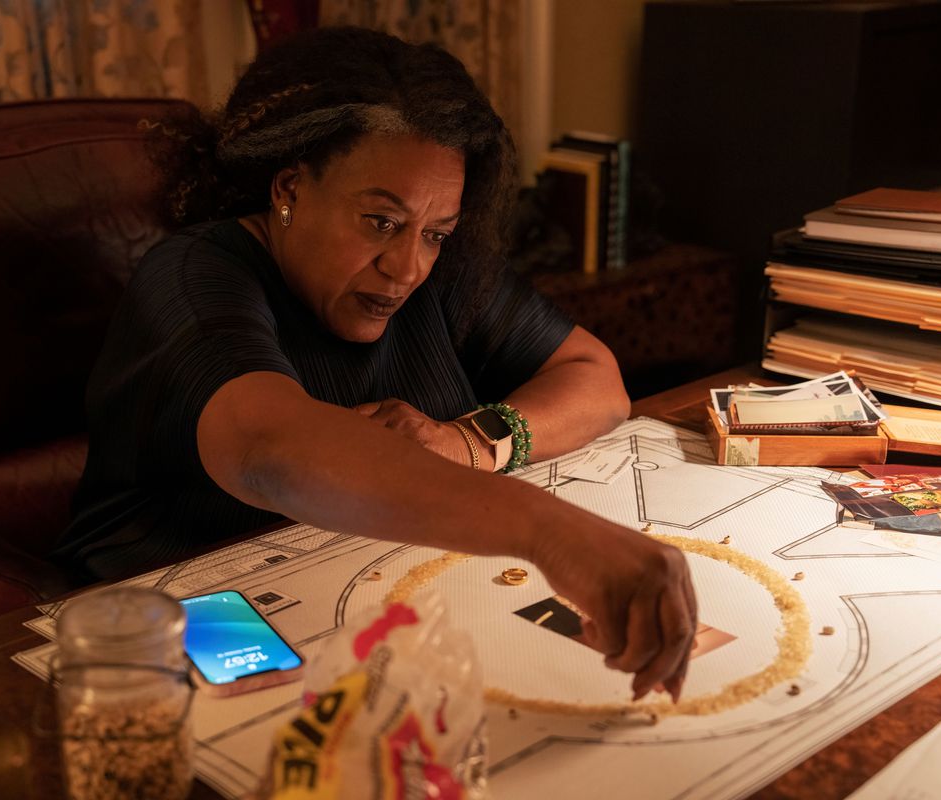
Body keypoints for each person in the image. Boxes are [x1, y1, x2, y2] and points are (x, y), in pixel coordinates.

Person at [53, 27, 697, 701]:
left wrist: (465, 442)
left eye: (437, 233)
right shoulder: (191, 277)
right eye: (380, 222)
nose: (408, 266)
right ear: (290, 189)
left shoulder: (436, 269)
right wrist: (551, 532)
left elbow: (597, 378)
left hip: (359, 589)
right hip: (170, 629)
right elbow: (267, 450)